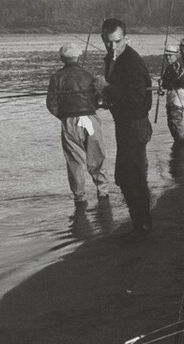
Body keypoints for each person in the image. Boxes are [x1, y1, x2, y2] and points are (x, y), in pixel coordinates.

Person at [101, 18, 154, 242]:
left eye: (118, 41)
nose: (113, 46)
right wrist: (106, 100)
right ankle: (140, 224)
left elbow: (138, 102)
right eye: (108, 41)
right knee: (126, 177)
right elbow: (122, 96)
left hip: (135, 126)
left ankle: (142, 227)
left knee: (132, 178)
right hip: (125, 126)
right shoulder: (113, 58)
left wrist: (108, 89)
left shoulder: (131, 63)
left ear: (127, 38)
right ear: (103, 39)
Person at [46, 42, 109, 209]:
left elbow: (51, 105)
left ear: (62, 58)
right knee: (97, 157)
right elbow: (99, 100)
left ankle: (79, 196)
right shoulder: (88, 75)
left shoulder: (56, 77)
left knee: (75, 162)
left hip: (69, 122)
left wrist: (64, 117)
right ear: (78, 56)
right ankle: (103, 190)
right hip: (91, 120)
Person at [161, 44, 184, 143]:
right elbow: (165, 84)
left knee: (176, 120)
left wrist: (167, 84)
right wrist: (162, 86)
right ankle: (178, 140)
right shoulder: (169, 68)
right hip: (171, 95)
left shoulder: (178, 66)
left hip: (178, 95)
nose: (168, 57)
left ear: (176, 56)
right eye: (166, 55)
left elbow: (180, 81)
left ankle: (181, 141)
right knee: (170, 122)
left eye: (170, 55)